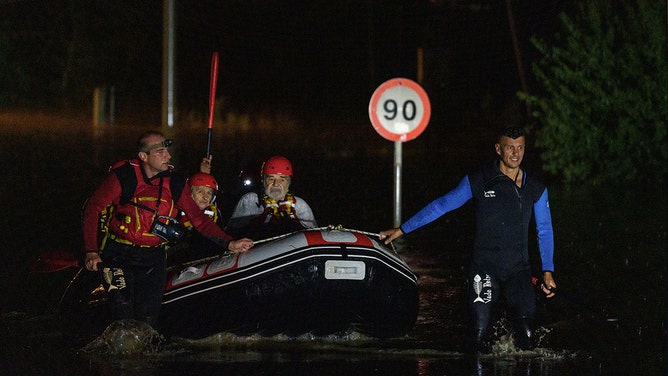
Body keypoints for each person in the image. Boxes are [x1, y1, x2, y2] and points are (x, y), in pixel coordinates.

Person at [379, 125, 557, 353]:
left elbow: (544, 229)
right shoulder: (478, 180)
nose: (515, 153)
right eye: (510, 147)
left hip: (518, 271)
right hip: (484, 269)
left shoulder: (536, 188)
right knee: (478, 335)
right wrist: (403, 229)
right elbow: (442, 205)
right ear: (498, 149)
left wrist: (547, 271)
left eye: (520, 147)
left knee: (527, 337)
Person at [82, 130, 253, 327]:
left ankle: (142, 353)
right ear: (143, 156)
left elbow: (199, 220)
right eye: (160, 151)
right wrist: (91, 251)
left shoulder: (175, 183)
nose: (168, 156)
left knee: (148, 318)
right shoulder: (122, 177)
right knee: (122, 309)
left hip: (153, 258)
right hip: (118, 254)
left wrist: (230, 243)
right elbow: (92, 209)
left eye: (167, 150)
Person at [226, 155, 317, 239]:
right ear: (263, 180)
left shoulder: (300, 205)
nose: (276, 184)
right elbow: (232, 234)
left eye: (282, 179)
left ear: (289, 183)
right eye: (271, 179)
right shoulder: (250, 200)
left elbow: (312, 237)